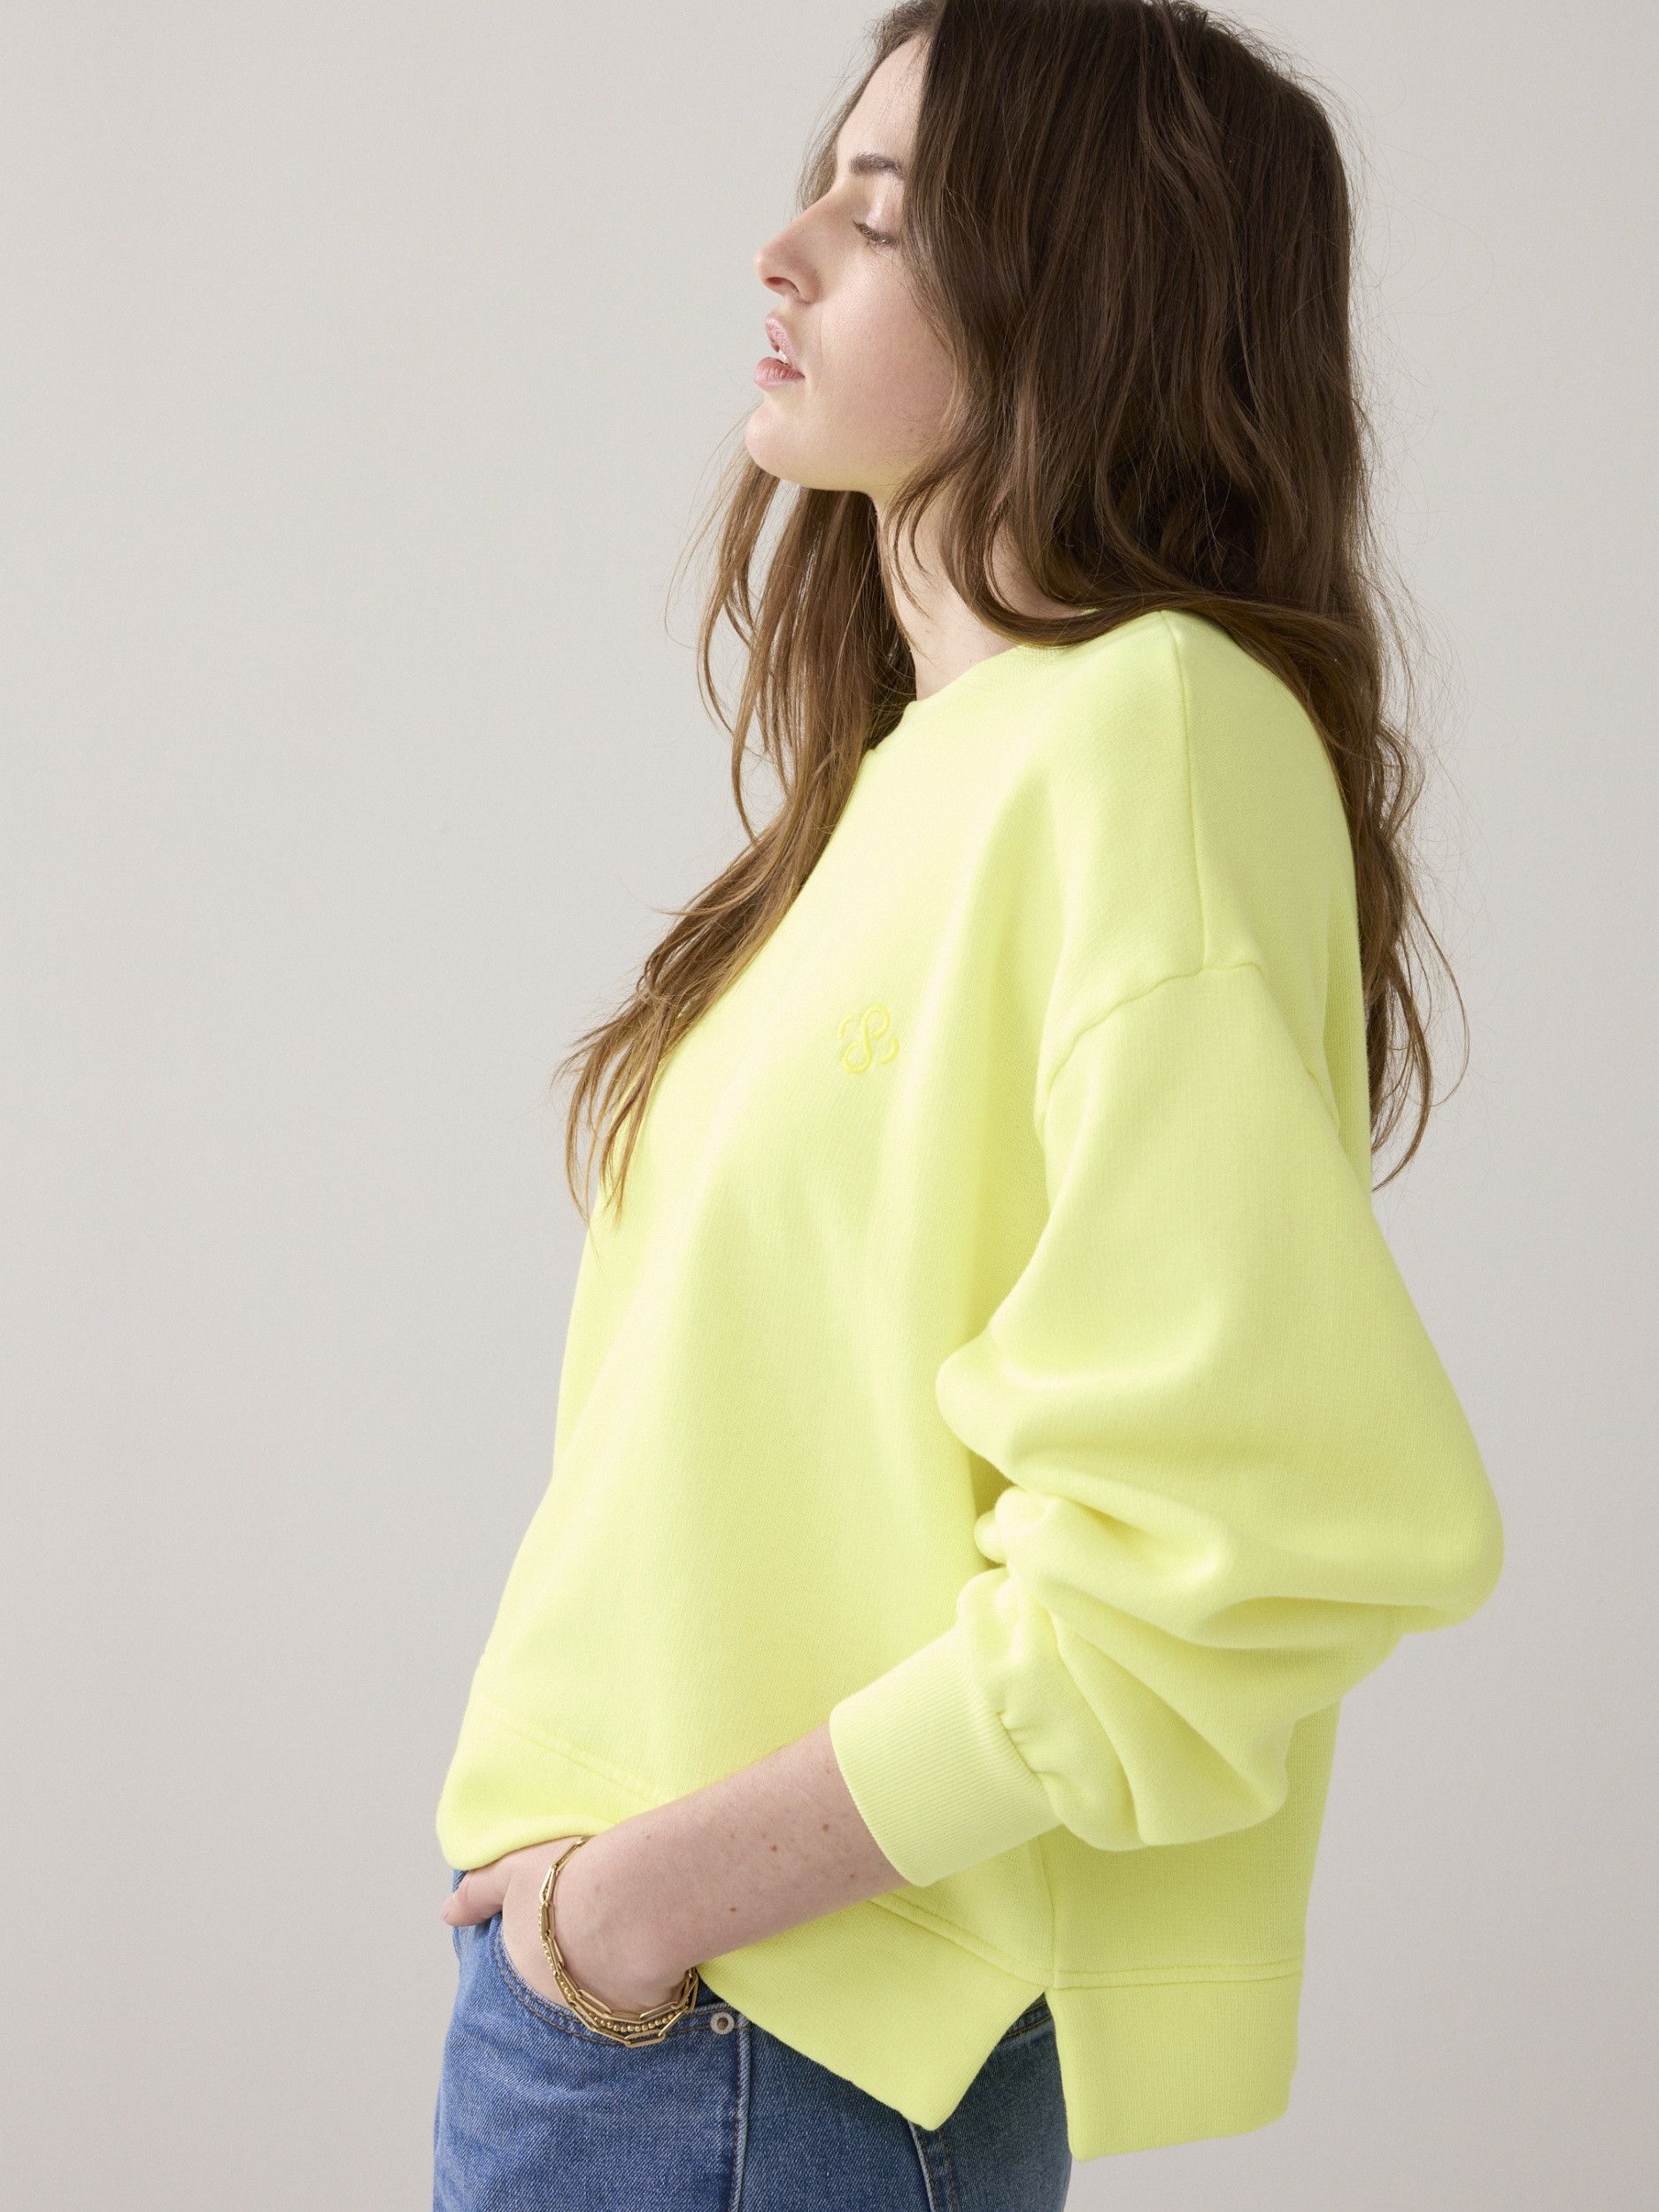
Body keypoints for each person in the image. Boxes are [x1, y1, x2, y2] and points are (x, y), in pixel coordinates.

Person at [430, 4, 1506, 2206]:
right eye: (822, 180)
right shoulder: (923, 781)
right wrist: (589, 1935)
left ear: (1083, 286)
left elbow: (1234, 1537)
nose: (786, 247)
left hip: (764, 2031)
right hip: (656, 2019)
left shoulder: (1151, 734)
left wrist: (642, 1906)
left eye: (887, 209)